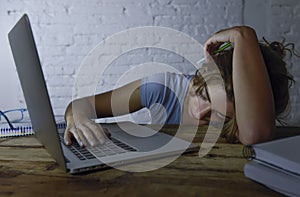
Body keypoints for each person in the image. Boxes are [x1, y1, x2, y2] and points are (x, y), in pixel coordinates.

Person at [64, 26, 297, 147]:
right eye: (202, 95)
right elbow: (81, 105)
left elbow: (256, 134)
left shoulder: (247, 123)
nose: (199, 113)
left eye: (219, 115)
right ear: (198, 78)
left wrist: (242, 35)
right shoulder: (163, 88)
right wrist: (80, 120)